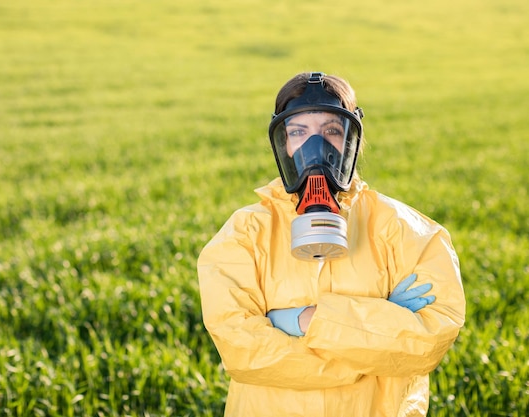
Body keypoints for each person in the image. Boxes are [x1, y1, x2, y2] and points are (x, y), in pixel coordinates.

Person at [197, 72, 466, 416]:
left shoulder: (406, 231)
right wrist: (373, 342)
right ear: (282, 144)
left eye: (331, 131)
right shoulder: (244, 233)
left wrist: (300, 321)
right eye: (299, 132)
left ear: (351, 142)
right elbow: (242, 351)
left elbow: (431, 341)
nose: (315, 147)